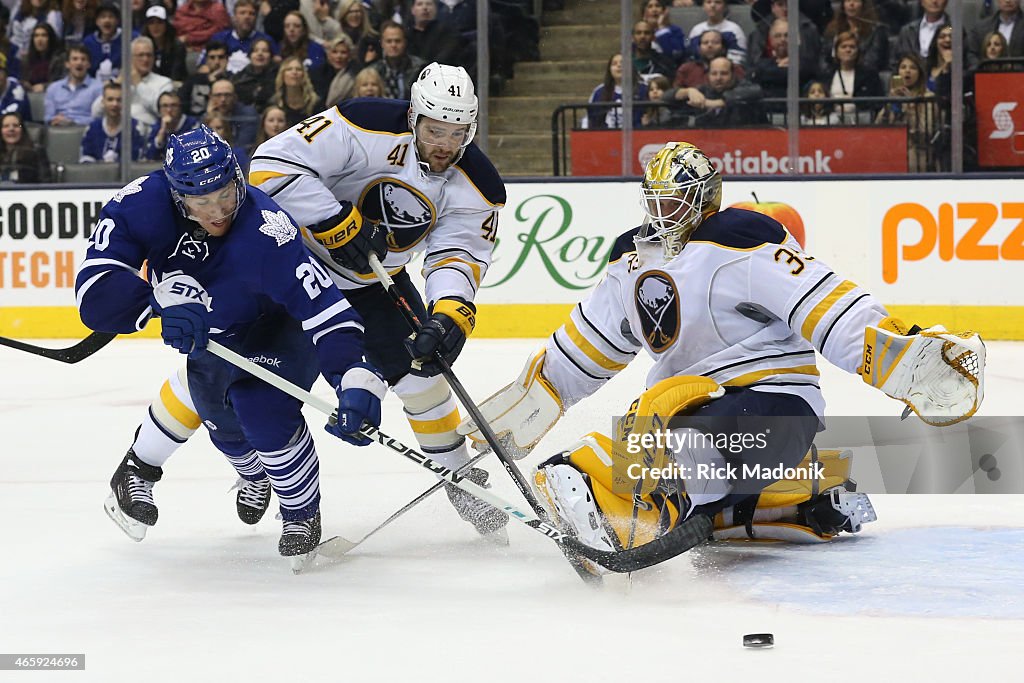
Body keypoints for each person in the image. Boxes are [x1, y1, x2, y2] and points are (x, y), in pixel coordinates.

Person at [458, 141, 985, 574]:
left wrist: (909, 363)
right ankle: (793, 495)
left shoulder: (742, 239)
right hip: (701, 416)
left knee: (669, 443)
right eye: (656, 202)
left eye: (676, 201)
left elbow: (830, 309)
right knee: (672, 435)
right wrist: (491, 436)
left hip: (775, 405)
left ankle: (632, 507)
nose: (664, 215)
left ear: (704, 200)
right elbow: (575, 357)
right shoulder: (629, 260)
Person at [110, 63, 509, 541]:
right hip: (287, 263)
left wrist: (450, 312)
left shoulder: (479, 184)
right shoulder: (362, 122)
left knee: (424, 371)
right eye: (435, 128)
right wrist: (333, 220)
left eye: (457, 131)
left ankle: (461, 477)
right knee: (222, 364)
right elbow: (272, 164)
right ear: (414, 116)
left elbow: (458, 251)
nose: (445, 142)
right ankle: (143, 465)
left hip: (371, 281)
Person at [76, 125, 386, 560]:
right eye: (202, 203)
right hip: (213, 335)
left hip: (277, 328)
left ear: (238, 178)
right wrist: (153, 303)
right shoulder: (140, 205)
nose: (218, 211)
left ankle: (301, 513)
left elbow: (325, 309)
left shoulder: (267, 231)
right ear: (177, 196)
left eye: (225, 194)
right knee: (223, 424)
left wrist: (351, 374)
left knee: (261, 409)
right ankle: (254, 475)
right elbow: (93, 295)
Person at [79, 80, 145, 162]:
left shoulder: (135, 127)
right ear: (103, 102)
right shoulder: (92, 128)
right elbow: (85, 158)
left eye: (119, 100)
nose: (114, 104)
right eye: (110, 99)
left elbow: (136, 161)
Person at [44, 44, 103, 125]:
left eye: (83, 59)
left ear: (88, 65)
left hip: (84, 130)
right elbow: (47, 117)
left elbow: (99, 119)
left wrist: (73, 123)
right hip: (58, 130)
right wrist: (54, 120)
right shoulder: (53, 88)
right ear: (67, 64)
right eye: (75, 59)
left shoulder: (98, 88)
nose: (79, 63)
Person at [143, 90, 199, 160]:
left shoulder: (192, 124)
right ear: (159, 109)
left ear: (180, 107)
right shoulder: (156, 127)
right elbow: (149, 157)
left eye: (174, 105)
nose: (169, 110)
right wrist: (162, 132)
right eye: (165, 106)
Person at [270, 55, 322, 126]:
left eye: (298, 69)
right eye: (289, 69)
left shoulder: (315, 102)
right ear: (282, 75)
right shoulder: (274, 102)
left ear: (304, 75)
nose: (294, 72)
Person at [0, 111, 50, 182]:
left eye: (16, 125)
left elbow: (46, 183)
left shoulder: (36, 151)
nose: (11, 129)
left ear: (22, 130)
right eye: (6, 126)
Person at [142, 5, 187, 83]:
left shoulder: (177, 46)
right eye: (151, 23)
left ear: (166, 24)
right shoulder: (143, 47)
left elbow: (176, 74)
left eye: (159, 22)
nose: (155, 27)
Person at [230, 37, 278, 110]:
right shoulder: (239, 78)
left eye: (265, 51)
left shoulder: (278, 76)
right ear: (250, 56)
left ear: (271, 56)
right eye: (255, 51)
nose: (260, 54)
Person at [23, 22, 64, 93]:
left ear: (50, 38)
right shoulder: (26, 59)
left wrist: (45, 87)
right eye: (36, 36)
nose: (39, 39)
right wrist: (25, 84)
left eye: (44, 35)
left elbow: (63, 82)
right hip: (32, 95)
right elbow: (22, 79)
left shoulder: (60, 58)